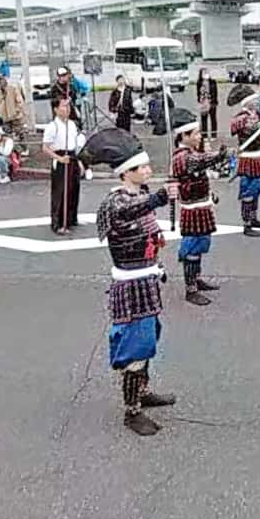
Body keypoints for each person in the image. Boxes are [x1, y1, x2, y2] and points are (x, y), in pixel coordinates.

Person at [82, 127, 178, 437]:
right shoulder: (117, 202)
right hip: (131, 284)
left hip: (146, 278)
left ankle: (143, 391)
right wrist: (160, 197)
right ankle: (131, 411)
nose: (148, 170)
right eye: (142, 167)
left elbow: (148, 231)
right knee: (136, 345)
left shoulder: (140, 195)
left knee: (149, 338)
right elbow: (132, 210)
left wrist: (157, 266)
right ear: (126, 172)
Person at [170, 122, 225, 305]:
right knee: (192, 248)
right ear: (184, 136)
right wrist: (220, 155)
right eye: (196, 133)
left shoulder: (191, 153)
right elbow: (200, 161)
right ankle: (190, 289)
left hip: (200, 204)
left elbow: (200, 171)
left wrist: (210, 194)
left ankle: (196, 278)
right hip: (191, 209)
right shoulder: (182, 157)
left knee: (200, 244)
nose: (199, 136)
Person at [41, 96, 87, 235]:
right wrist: (59, 158)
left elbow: (75, 145)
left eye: (68, 106)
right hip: (60, 158)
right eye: (64, 106)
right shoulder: (52, 126)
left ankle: (71, 219)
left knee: (74, 189)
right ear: (56, 109)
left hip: (72, 157)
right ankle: (58, 223)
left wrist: (79, 162)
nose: (67, 109)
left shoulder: (72, 124)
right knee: (60, 191)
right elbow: (45, 148)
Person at [229, 103, 260, 236]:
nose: (254, 119)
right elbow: (250, 129)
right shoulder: (241, 121)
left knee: (256, 191)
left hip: (258, 159)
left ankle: (253, 218)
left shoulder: (255, 119)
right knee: (248, 193)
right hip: (248, 160)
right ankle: (247, 224)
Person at [195, 68, 220, 138]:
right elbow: (198, 93)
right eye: (204, 73)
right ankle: (204, 135)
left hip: (212, 102)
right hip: (203, 103)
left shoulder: (213, 82)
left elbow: (215, 92)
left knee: (213, 119)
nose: (206, 74)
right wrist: (200, 100)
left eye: (207, 72)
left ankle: (214, 135)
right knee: (204, 120)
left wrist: (214, 101)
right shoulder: (199, 82)